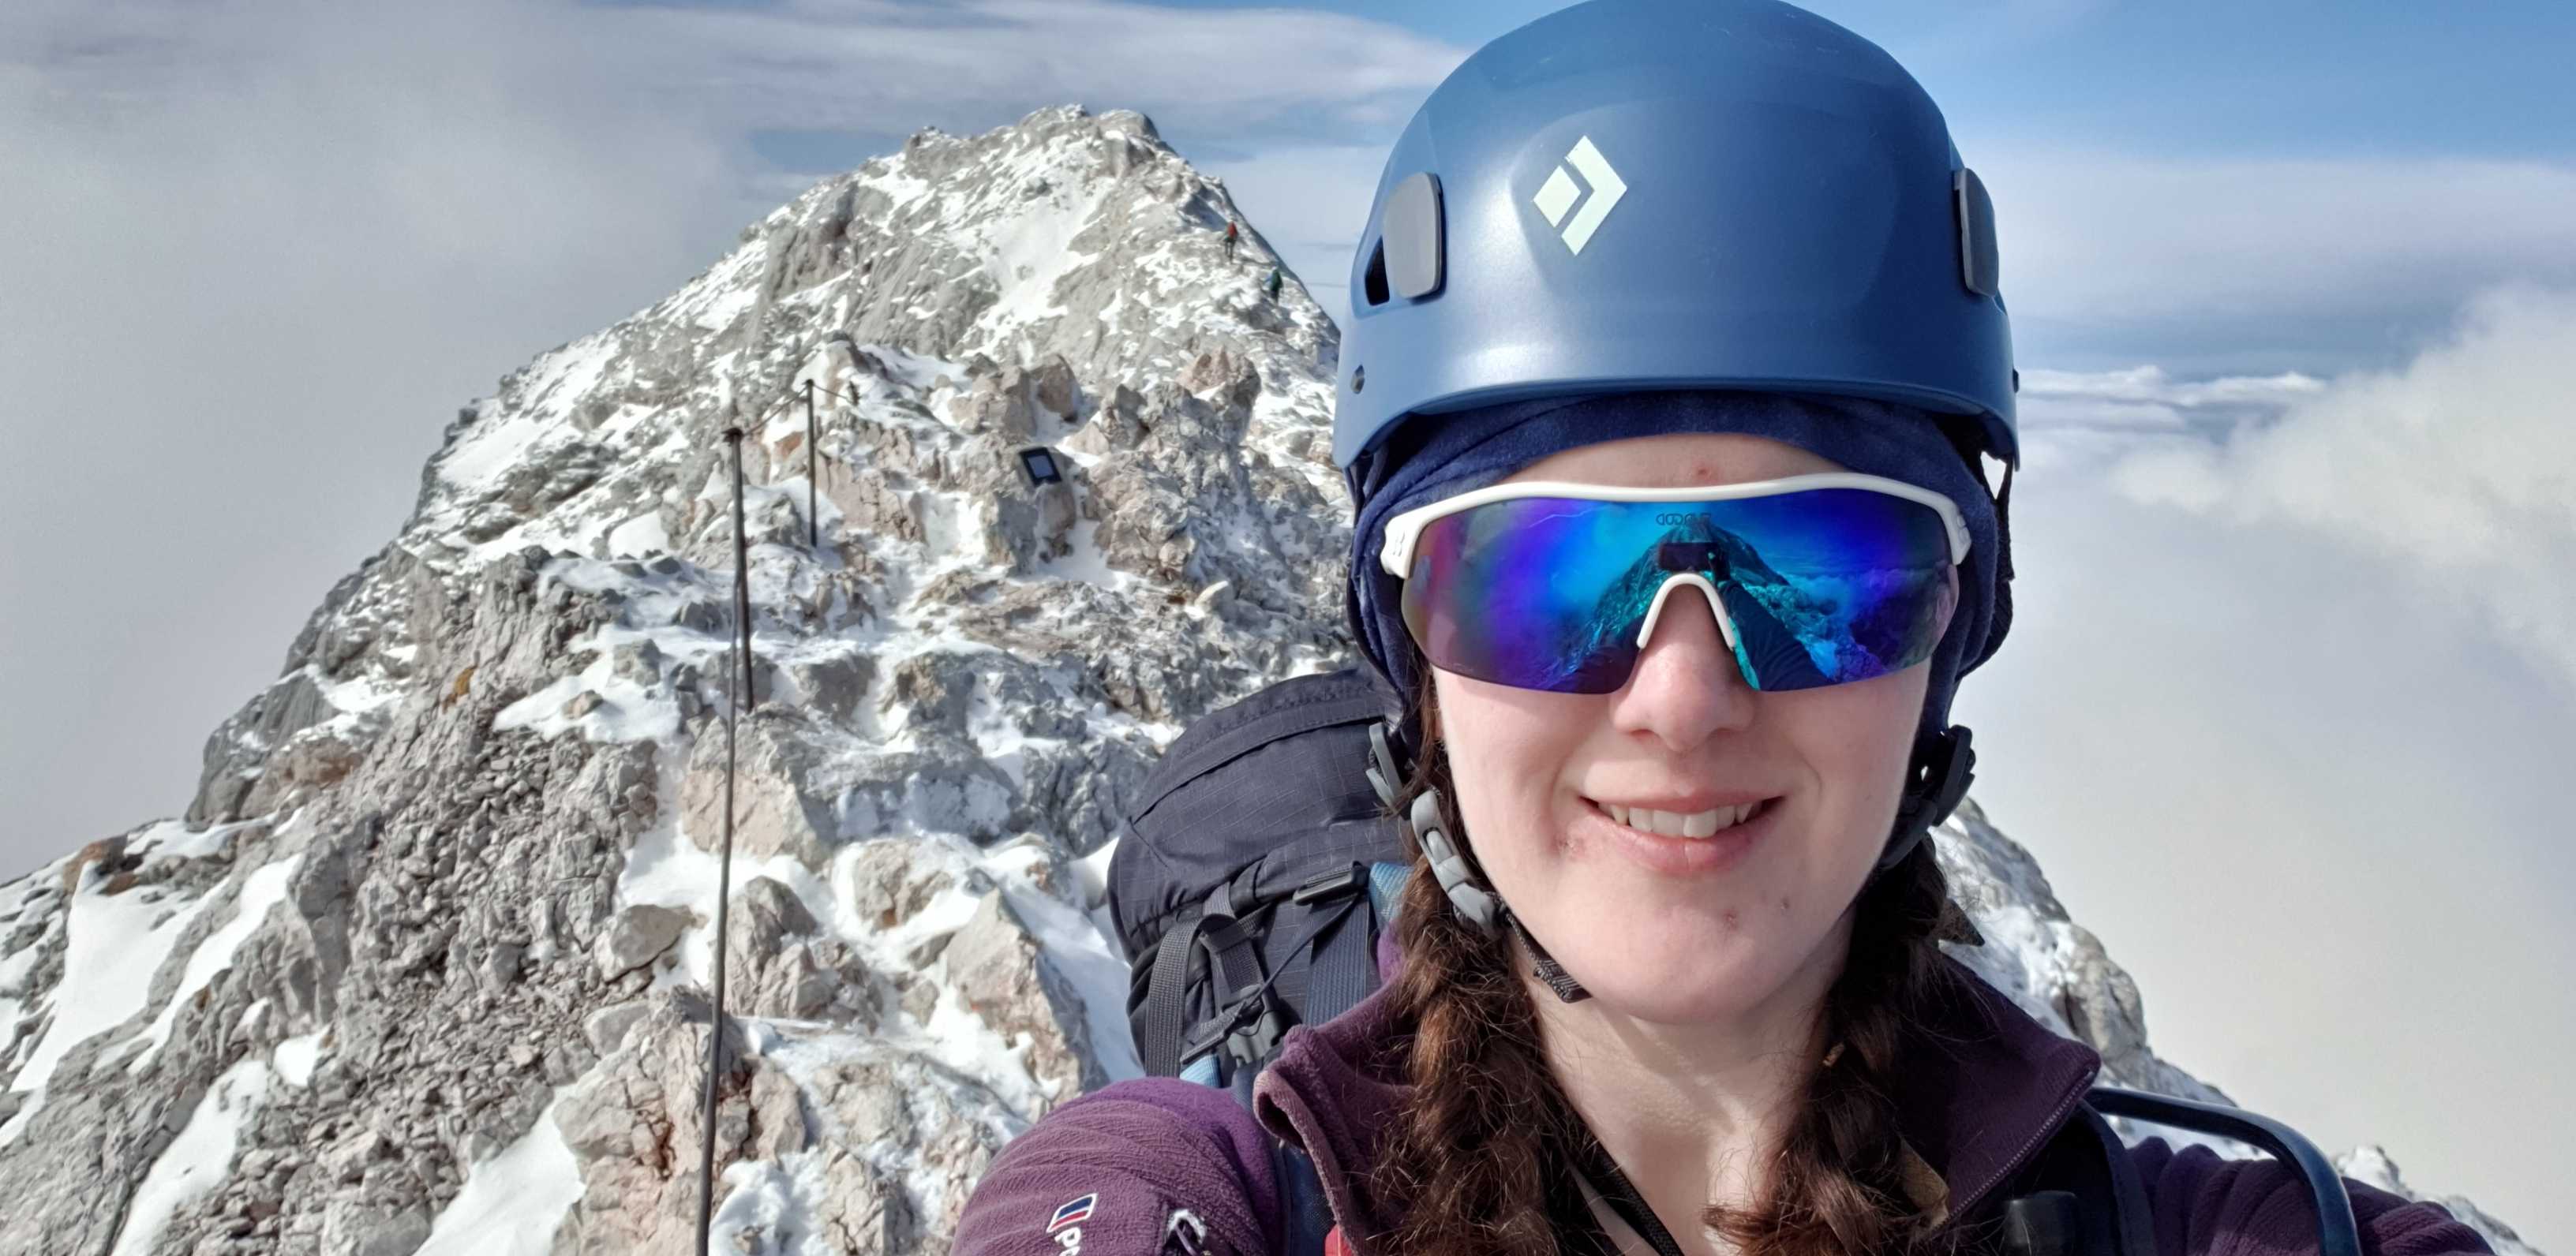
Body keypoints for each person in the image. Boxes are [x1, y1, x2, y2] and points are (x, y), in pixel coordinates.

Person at [955, 2, 2502, 1255]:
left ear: (1952, 630)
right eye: (1545, 577)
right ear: (1414, 656)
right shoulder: (1199, 1202)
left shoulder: (2225, 1233)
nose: (1682, 696)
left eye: (1822, 566)